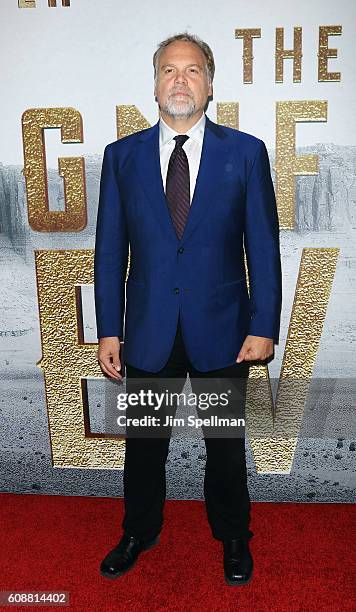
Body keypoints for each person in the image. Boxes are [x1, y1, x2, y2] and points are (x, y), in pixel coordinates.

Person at [94, 32, 282, 586]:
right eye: (170, 70)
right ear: (154, 84)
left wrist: (264, 324)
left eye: (193, 70)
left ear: (209, 83)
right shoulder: (121, 156)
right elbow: (110, 251)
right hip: (148, 330)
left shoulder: (244, 152)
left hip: (224, 331)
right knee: (144, 447)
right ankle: (138, 531)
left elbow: (263, 248)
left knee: (225, 447)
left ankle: (232, 536)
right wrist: (109, 328)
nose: (181, 80)